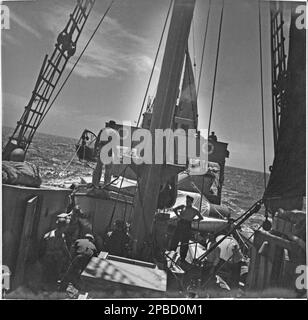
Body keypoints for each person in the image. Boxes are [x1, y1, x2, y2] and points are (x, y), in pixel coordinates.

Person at [39, 213, 71, 289]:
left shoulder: (61, 235)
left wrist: (68, 256)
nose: (67, 228)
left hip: (56, 259)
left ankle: (53, 284)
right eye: (66, 226)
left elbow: (64, 246)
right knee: (48, 275)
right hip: (49, 259)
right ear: (61, 227)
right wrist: (59, 253)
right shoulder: (51, 237)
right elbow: (47, 251)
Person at [170, 196, 202, 262]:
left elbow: (201, 218)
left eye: (189, 202)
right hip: (180, 223)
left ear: (191, 202)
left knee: (185, 242)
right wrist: (178, 215)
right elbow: (174, 209)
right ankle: (171, 253)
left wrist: (193, 220)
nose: (187, 203)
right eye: (187, 201)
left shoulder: (194, 210)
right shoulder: (182, 206)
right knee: (175, 239)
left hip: (187, 225)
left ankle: (183, 258)